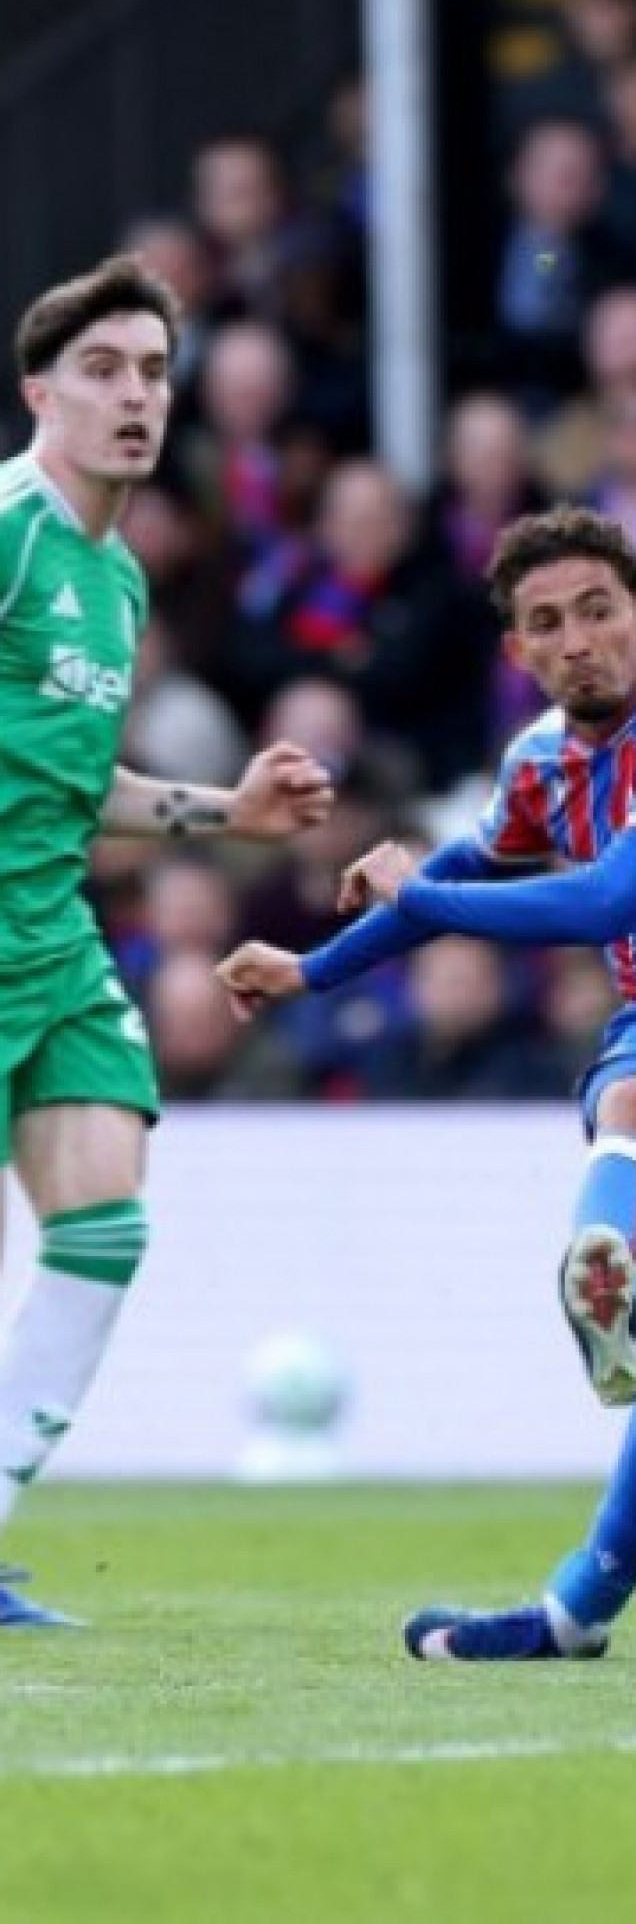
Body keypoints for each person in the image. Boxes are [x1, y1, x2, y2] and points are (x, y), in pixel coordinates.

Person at [215, 506, 636, 1663]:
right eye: (546, 623)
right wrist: (312, 967)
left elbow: (604, 899)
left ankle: (577, 1604)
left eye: (597, 611)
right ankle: (605, 1268)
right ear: (518, 651)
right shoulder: (539, 760)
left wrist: (419, 898)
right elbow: (462, 864)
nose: (578, 640)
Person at [0, 256, 333, 1627]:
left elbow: (82, 785)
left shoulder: (118, 579)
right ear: (40, 394)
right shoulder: (12, 530)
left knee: (104, 1219)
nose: (134, 396)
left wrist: (228, 814)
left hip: (48, 933)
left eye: (151, 371)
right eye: (102, 370)